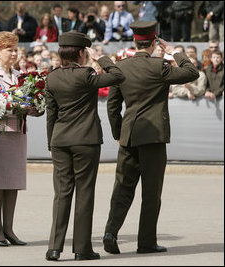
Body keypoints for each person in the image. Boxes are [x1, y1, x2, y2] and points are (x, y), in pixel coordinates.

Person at [103, 21, 199, 255]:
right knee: (151, 191)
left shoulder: (121, 67)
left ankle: (110, 233)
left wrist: (118, 133)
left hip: (128, 135)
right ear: (153, 41)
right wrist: (174, 52)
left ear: (135, 41)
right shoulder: (160, 66)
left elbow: (112, 106)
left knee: (122, 188)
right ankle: (146, 242)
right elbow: (192, 73)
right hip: (153, 136)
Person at [45, 32, 125, 261]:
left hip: (60, 140)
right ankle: (82, 249)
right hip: (85, 140)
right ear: (81, 52)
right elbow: (117, 76)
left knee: (61, 194)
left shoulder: (52, 77)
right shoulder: (86, 74)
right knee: (84, 193)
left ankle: (54, 247)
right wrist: (100, 58)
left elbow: (51, 114)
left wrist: (52, 142)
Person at [0, 31, 43, 248]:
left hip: (17, 132)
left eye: (16, 49)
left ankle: (9, 229)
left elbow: (29, 105)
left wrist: (37, 107)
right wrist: (17, 106)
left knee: (13, 183)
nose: (14, 54)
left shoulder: (20, 76)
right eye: (10, 50)